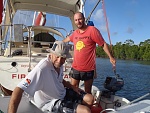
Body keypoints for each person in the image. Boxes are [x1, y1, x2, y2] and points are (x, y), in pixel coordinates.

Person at [8, 41, 94, 113]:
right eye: (57, 56)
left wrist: (72, 87)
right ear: (51, 54)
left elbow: (60, 80)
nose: (59, 61)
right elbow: (18, 89)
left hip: (62, 93)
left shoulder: (59, 65)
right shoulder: (42, 68)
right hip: (50, 101)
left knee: (90, 99)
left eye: (63, 57)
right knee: (86, 111)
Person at [63, 12, 116, 94]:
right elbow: (66, 40)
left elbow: (103, 44)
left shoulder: (92, 30)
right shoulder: (75, 33)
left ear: (84, 19)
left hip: (88, 69)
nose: (78, 22)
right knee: (73, 89)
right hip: (75, 67)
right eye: (76, 20)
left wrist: (110, 57)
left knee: (87, 92)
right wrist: (57, 43)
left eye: (80, 19)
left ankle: (86, 105)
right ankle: (76, 105)